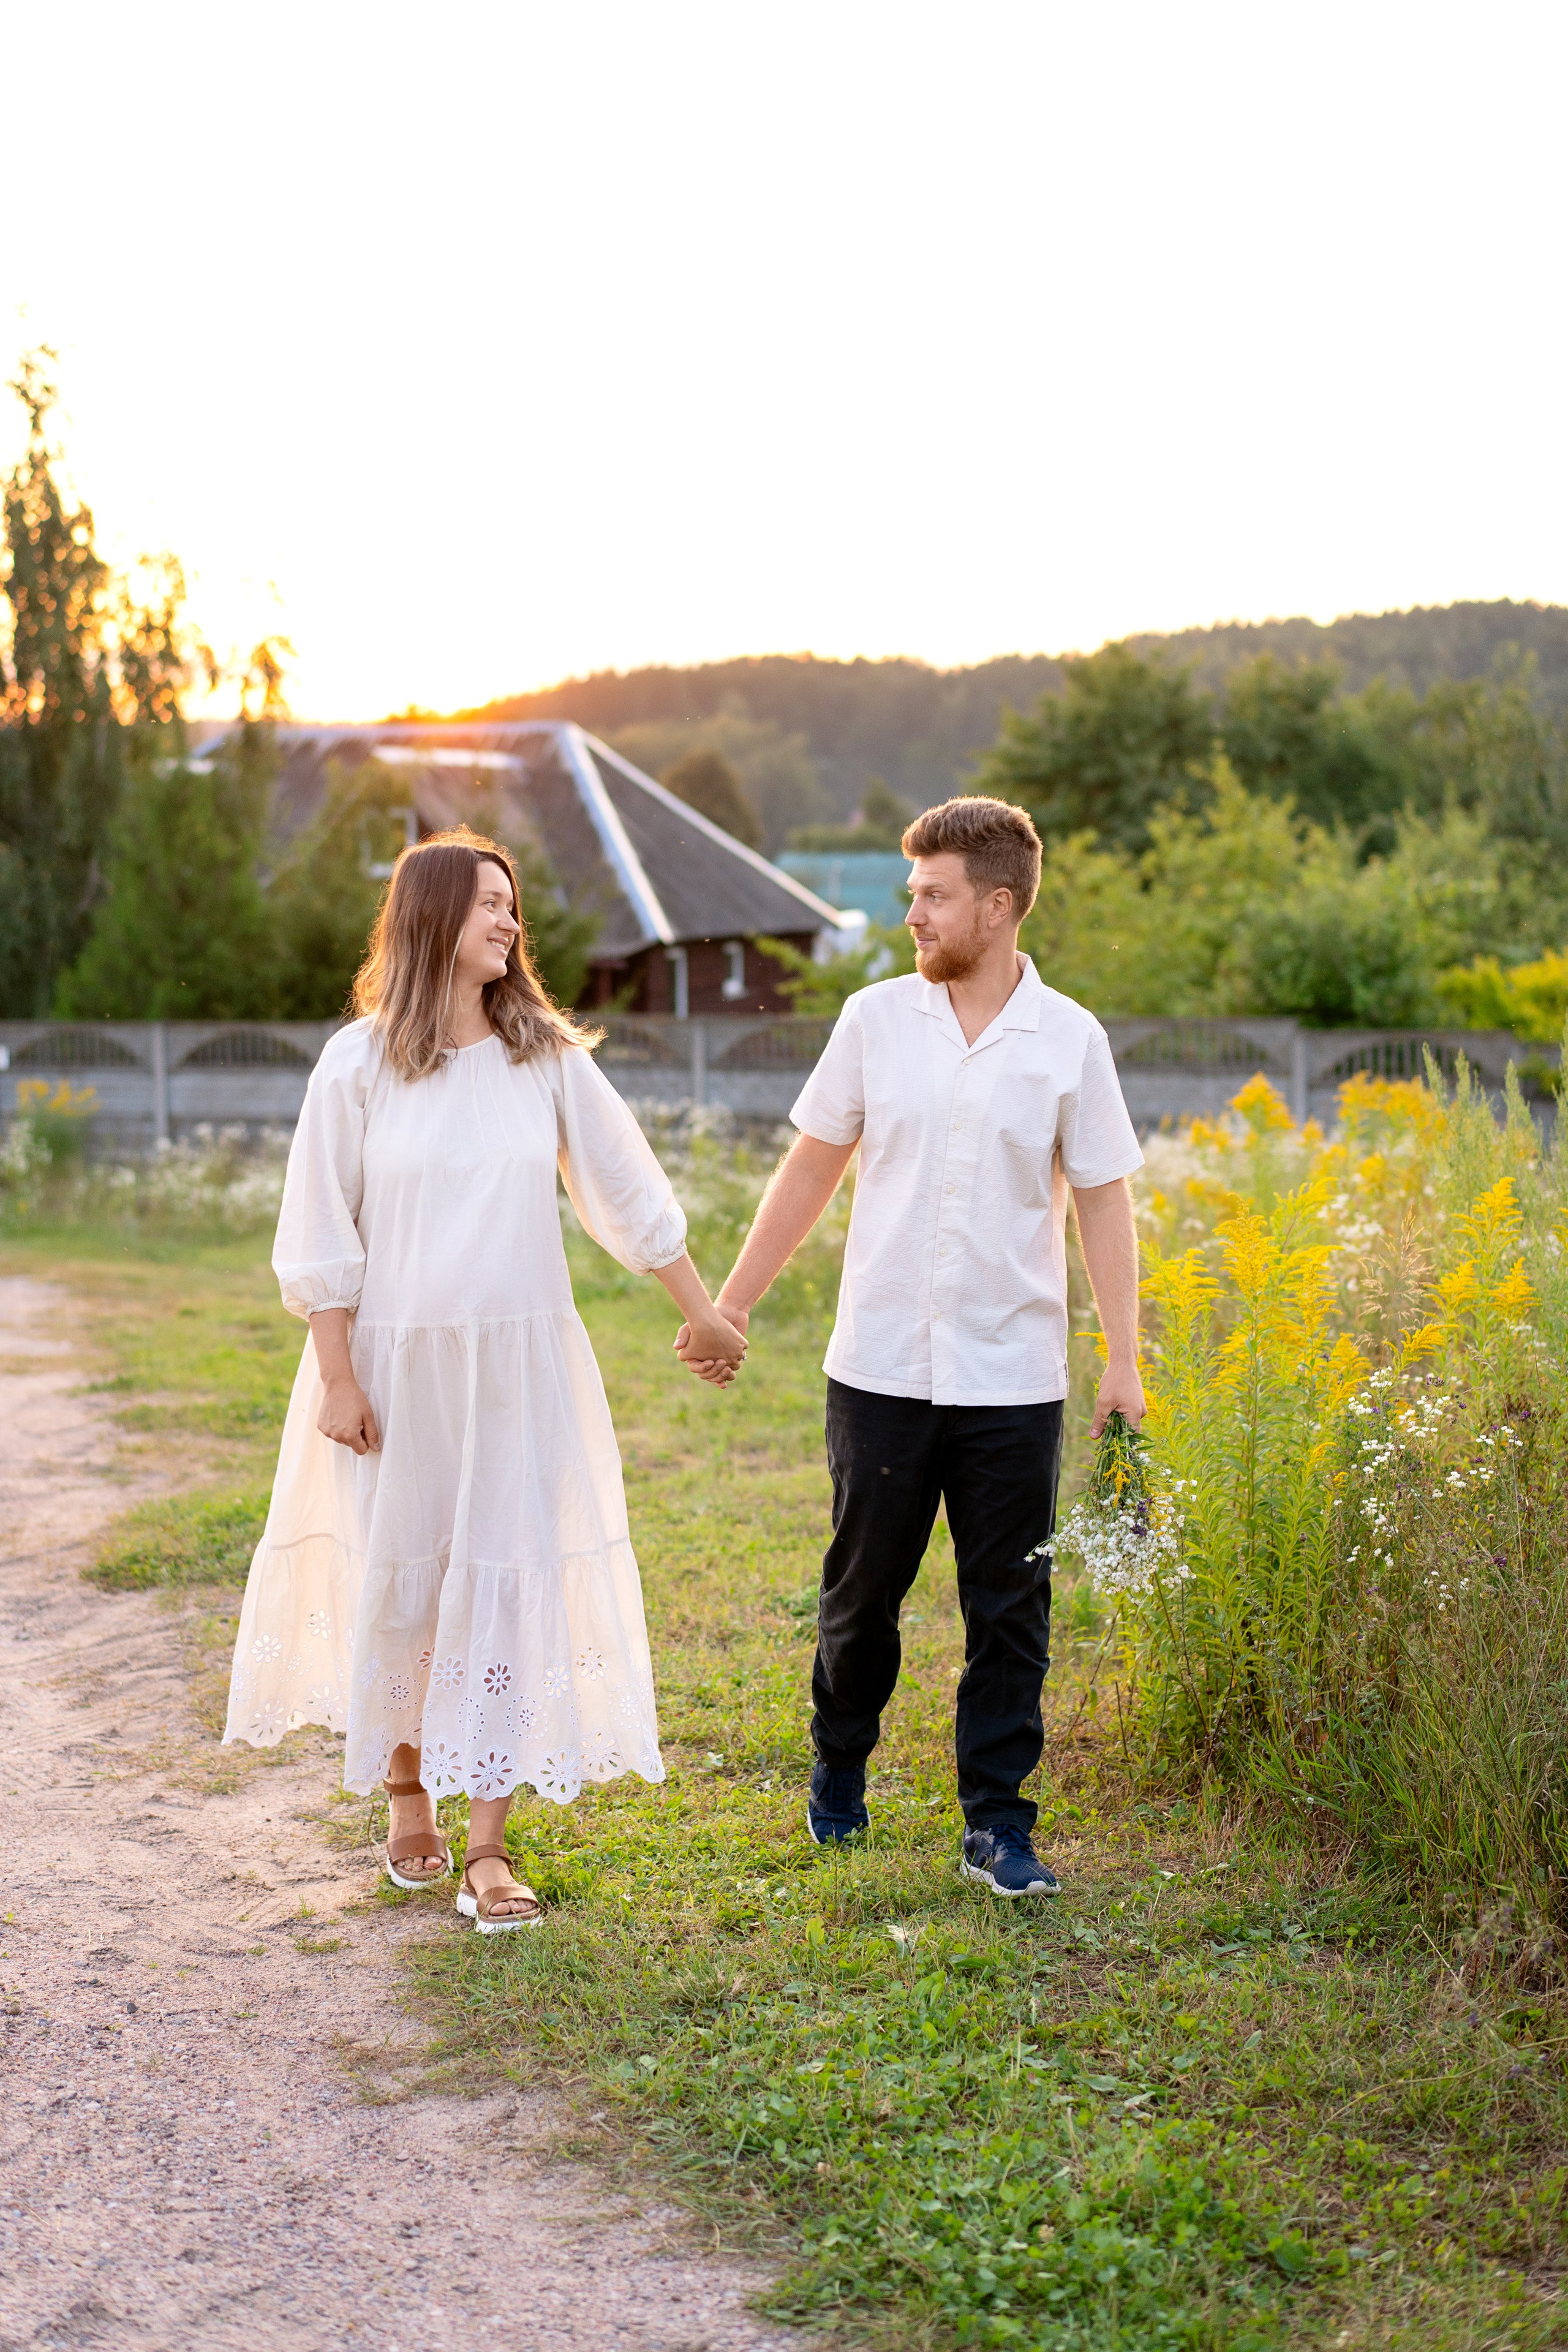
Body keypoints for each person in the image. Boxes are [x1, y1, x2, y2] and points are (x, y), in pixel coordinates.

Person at [224, 827, 746, 1929]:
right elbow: (319, 1230)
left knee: (507, 1586)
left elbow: (627, 1190)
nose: (510, 923)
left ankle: (488, 1846)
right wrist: (337, 1379)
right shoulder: (356, 1065)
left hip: (518, 1370)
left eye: (513, 906)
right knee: (405, 1584)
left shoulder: (546, 1056)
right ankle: (409, 1795)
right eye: (490, 905)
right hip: (392, 1370)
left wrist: (702, 1313)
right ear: (430, 919)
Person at [679, 795, 1144, 1898]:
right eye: (912, 895)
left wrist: (1123, 1358)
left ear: (997, 904)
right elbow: (811, 1169)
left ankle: (997, 1824)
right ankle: (840, 1767)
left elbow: (1105, 1200)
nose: (913, 917)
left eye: (932, 897)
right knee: (860, 1595)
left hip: (1013, 1375)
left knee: (1010, 1613)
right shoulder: (875, 1019)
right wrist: (734, 1303)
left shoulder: (1070, 1039)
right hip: (881, 1366)